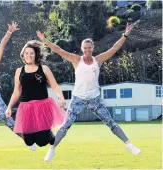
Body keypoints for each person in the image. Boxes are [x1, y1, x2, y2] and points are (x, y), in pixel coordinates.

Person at [37, 23, 141, 162]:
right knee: (65, 125)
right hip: (78, 98)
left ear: (93, 48)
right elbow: (59, 50)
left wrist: (125, 34)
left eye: (89, 48)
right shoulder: (76, 59)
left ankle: (129, 145)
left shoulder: (98, 60)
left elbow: (114, 48)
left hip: (95, 99)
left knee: (110, 122)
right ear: (82, 49)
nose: (87, 50)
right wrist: (44, 40)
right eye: (85, 48)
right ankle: (52, 149)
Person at [5, 40, 67, 151]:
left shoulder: (43, 69)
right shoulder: (19, 71)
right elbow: (16, 92)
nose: (29, 55)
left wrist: (61, 97)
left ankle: (49, 135)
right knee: (28, 141)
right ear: (23, 55)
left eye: (32, 53)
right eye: (27, 53)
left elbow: (55, 87)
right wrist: (9, 107)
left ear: (35, 55)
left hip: (42, 107)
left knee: (42, 142)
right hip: (26, 108)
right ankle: (44, 134)